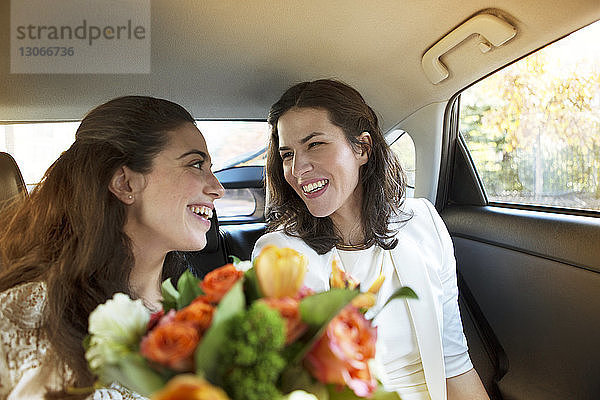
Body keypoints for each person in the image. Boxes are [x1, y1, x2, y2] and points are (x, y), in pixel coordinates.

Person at [252, 79, 489, 400]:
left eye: (315, 144)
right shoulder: (279, 253)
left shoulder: (424, 222)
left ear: (362, 148)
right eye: (287, 154)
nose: (297, 168)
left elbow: (454, 362)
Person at [0, 96, 224, 399]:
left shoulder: (194, 314)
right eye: (196, 164)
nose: (217, 188)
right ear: (125, 183)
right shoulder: (28, 316)